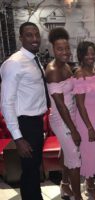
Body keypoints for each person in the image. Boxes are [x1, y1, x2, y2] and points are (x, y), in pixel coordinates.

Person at [0, 22, 48, 200]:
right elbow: (6, 102)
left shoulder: (33, 60)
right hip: (25, 124)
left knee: (33, 168)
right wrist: (18, 138)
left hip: (35, 123)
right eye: (29, 35)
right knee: (29, 171)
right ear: (21, 38)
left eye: (36, 34)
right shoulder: (14, 63)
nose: (35, 39)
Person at [45, 27, 82, 200]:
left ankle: (65, 186)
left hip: (71, 115)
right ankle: (77, 197)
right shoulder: (52, 70)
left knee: (67, 152)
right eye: (60, 49)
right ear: (53, 49)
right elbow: (60, 105)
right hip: (62, 119)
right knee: (74, 160)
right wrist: (73, 130)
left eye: (67, 48)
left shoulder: (66, 66)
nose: (65, 52)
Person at [73, 41, 95, 200]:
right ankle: (90, 186)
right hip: (86, 121)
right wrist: (89, 127)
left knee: (93, 152)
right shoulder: (80, 74)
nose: (91, 56)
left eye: (93, 53)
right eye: (87, 53)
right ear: (81, 56)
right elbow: (79, 104)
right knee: (88, 153)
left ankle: (89, 182)